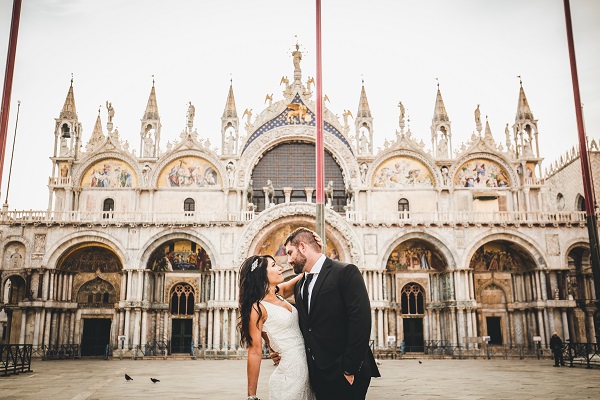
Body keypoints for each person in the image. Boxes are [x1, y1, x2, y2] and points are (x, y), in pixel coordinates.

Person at [282, 227, 380, 400]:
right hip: (317, 374)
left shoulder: (345, 272)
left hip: (345, 371)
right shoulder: (300, 285)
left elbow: (360, 320)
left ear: (303, 247)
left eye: (290, 253)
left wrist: (349, 368)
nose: (288, 260)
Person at [238, 251, 317, 400]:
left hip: (307, 373)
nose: (280, 268)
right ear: (261, 275)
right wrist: (251, 395)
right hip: (288, 376)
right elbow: (254, 351)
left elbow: (305, 275)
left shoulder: (279, 293)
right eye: (274, 265)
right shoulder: (257, 308)